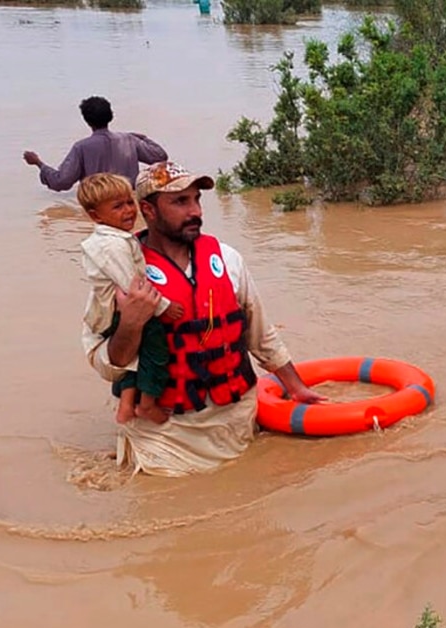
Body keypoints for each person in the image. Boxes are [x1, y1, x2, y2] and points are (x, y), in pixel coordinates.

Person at [81, 161, 324, 477]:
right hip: (166, 437)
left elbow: (261, 336)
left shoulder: (227, 258)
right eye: (180, 202)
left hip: (236, 422)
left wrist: (296, 388)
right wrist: (131, 322)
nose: (195, 211)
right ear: (148, 210)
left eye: (197, 199)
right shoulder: (121, 272)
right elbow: (107, 365)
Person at [77, 173, 184, 425]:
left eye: (129, 202)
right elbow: (132, 286)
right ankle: (147, 404)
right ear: (95, 216)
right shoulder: (110, 246)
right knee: (156, 349)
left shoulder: (114, 239)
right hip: (120, 311)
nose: (128, 210)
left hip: (114, 311)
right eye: (118, 206)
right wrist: (165, 307)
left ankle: (126, 406)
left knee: (134, 354)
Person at [23, 96, 168, 191]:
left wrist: (39, 163)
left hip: (100, 206)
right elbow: (160, 157)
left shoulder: (81, 147)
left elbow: (62, 181)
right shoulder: (129, 140)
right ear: (111, 116)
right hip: (127, 202)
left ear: (86, 120)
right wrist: (143, 138)